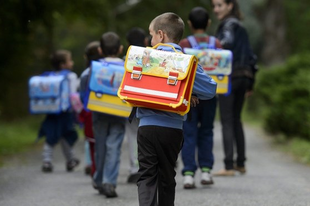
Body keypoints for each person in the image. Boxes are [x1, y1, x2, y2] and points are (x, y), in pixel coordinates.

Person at [136, 12, 217, 206]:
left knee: (146, 175)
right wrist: (189, 92)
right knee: (166, 175)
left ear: (161, 35)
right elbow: (211, 89)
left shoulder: (144, 58)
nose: (150, 39)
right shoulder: (186, 61)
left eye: (152, 34)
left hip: (145, 126)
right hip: (172, 129)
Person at [211, 0, 257, 176]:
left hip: (229, 78)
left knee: (227, 120)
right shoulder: (242, 27)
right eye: (214, 6)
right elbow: (253, 58)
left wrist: (214, 46)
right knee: (236, 119)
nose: (216, 9)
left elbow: (226, 43)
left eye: (219, 5)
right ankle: (241, 163)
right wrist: (251, 83)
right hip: (245, 76)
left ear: (230, 6)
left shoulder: (228, 25)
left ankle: (228, 166)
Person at [179, 6, 222, 189]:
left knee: (188, 132)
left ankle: (188, 174)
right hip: (211, 97)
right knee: (207, 131)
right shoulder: (217, 44)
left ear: (189, 24)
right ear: (209, 23)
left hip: (190, 97)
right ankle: (206, 171)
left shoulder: (184, 45)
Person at [91, 32, 126, 198]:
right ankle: (109, 182)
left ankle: (98, 180)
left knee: (101, 146)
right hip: (120, 112)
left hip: (99, 111)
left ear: (99, 50)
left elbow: (84, 85)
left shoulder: (95, 67)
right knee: (114, 147)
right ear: (120, 49)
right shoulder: (127, 66)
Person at [38, 49, 80, 173]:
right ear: (63, 64)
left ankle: (47, 161)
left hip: (51, 112)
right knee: (66, 136)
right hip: (65, 113)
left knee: (51, 136)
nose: (72, 63)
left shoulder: (49, 76)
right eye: (70, 60)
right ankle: (70, 159)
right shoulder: (70, 76)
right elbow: (73, 94)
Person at [124, 27, 149, 184]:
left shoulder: (125, 59)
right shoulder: (154, 59)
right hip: (149, 104)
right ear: (146, 41)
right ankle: (150, 167)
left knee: (133, 135)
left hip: (131, 105)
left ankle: (135, 169)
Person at [79, 41, 102, 177]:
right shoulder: (109, 70)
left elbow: (82, 96)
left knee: (91, 143)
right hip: (107, 111)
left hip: (89, 113)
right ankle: (103, 171)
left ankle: (93, 167)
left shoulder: (85, 73)